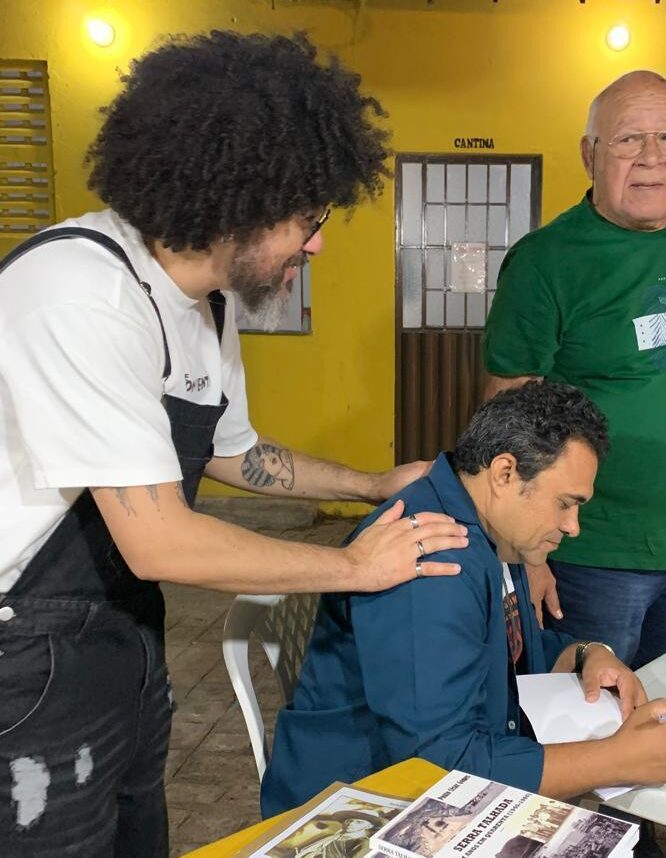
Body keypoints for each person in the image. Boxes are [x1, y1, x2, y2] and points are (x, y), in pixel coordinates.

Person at [0, 32, 469, 857]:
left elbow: (232, 452)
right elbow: (158, 540)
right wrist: (355, 568)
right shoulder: (81, 292)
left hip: (119, 635)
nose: (318, 242)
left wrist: (368, 483)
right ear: (237, 199)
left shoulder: (206, 306)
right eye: (307, 217)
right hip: (21, 656)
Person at [261, 382, 666, 816]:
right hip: (365, 806)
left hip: (440, 781)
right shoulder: (434, 560)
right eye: (565, 503)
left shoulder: (489, 526)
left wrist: (586, 654)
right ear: (505, 473)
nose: (573, 526)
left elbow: (502, 651)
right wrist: (615, 760)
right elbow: (440, 767)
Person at [482, 71, 666, 671]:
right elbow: (506, 414)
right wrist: (526, 551)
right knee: (590, 721)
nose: (652, 158)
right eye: (628, 140)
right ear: (589, 154)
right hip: (597, 551)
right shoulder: (545, 262)